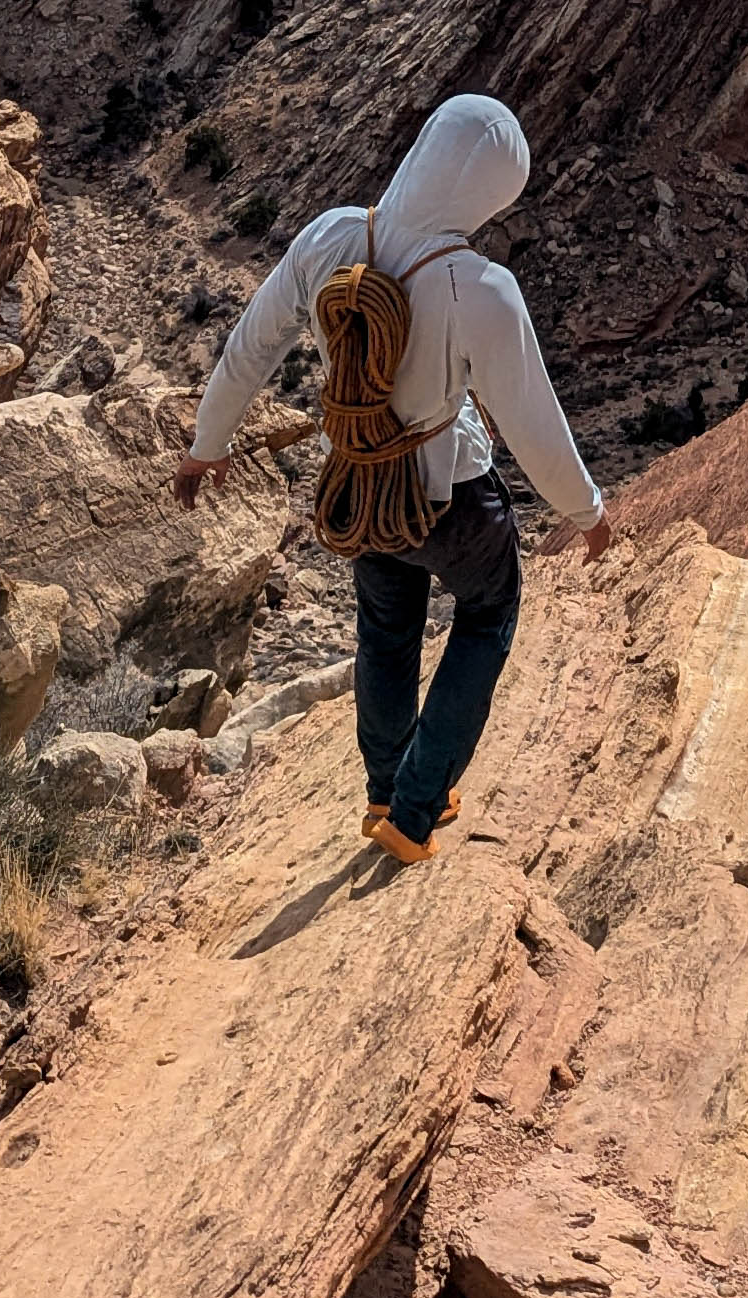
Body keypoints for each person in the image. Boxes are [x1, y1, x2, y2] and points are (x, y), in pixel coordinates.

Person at [175, 93, 610, 866]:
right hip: (452, 496)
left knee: (385, 631)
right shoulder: (480, 286)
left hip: (360, 483)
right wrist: (587, 512)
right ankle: (414, 811)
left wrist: (207, 445)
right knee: (488, 612)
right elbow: (533, 425)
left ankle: (384, 791)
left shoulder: (330, 236)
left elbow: (252, 345)